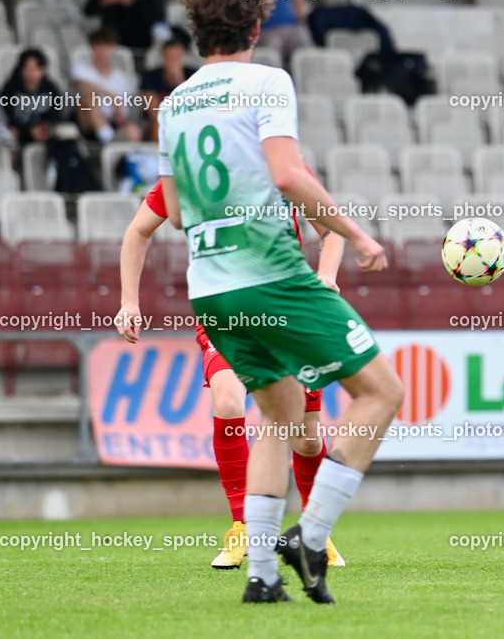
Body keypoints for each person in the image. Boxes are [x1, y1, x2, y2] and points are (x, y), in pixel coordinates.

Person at [155, 0, 403, 604]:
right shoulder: (269, 81)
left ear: (197, 31)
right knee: (382, 393)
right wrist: (360, 235)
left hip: (210, 289)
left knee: (277, 416)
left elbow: (177, 214)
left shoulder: (176, 102)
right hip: (270, 277)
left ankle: (262, 575)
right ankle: (311, 535)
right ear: (258, 28)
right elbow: (290, 176)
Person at [117, 174, 345, 570]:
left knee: (306, 440)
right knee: (227, 401)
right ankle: (242, 526)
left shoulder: (284, 169)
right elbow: (138, 231)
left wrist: (326, 275)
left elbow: (333, 229)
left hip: (289, 312)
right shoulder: (189, 170)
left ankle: (314, 534)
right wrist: (128, 302)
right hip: (226, 314)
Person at [72, 27, 143, 144]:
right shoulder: (81, 68)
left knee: (134, 130)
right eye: (98, 46)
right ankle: (108, 140)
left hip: (112, 122)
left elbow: (123, 110)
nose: (102, 51)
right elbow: (79, 85)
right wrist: (110, 95)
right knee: (89, 98)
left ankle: (111, 142)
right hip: (85, 121)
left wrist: (121, 116)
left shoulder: (121, 77)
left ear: (113, 48)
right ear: (92, 47)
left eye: (106, 46)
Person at [241, 0, 313, 66]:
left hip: (291, 26)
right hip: (267, 29)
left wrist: (301, 12)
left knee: (304, 41)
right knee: (272, 49)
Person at [0, 48, 67, 147]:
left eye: (35, 68)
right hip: (20, 132)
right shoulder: (11, 88)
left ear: (42, 70)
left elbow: (56, 114)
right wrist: (28, 131)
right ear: (21, 70)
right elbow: (6, 115)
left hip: (43, 133)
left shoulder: (50, 89)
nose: (31, 73)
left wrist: (44, 127)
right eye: (28, 68)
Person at [140, 36, 198, 142]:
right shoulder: (151, 76)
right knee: (158, 124)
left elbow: (196, 107)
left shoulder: (193, 75)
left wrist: (180, 81)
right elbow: (153, 111)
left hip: (186, 119)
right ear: (163, 57)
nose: (173, 61)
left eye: (176, 57)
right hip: (160, 121)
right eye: (169, 57)